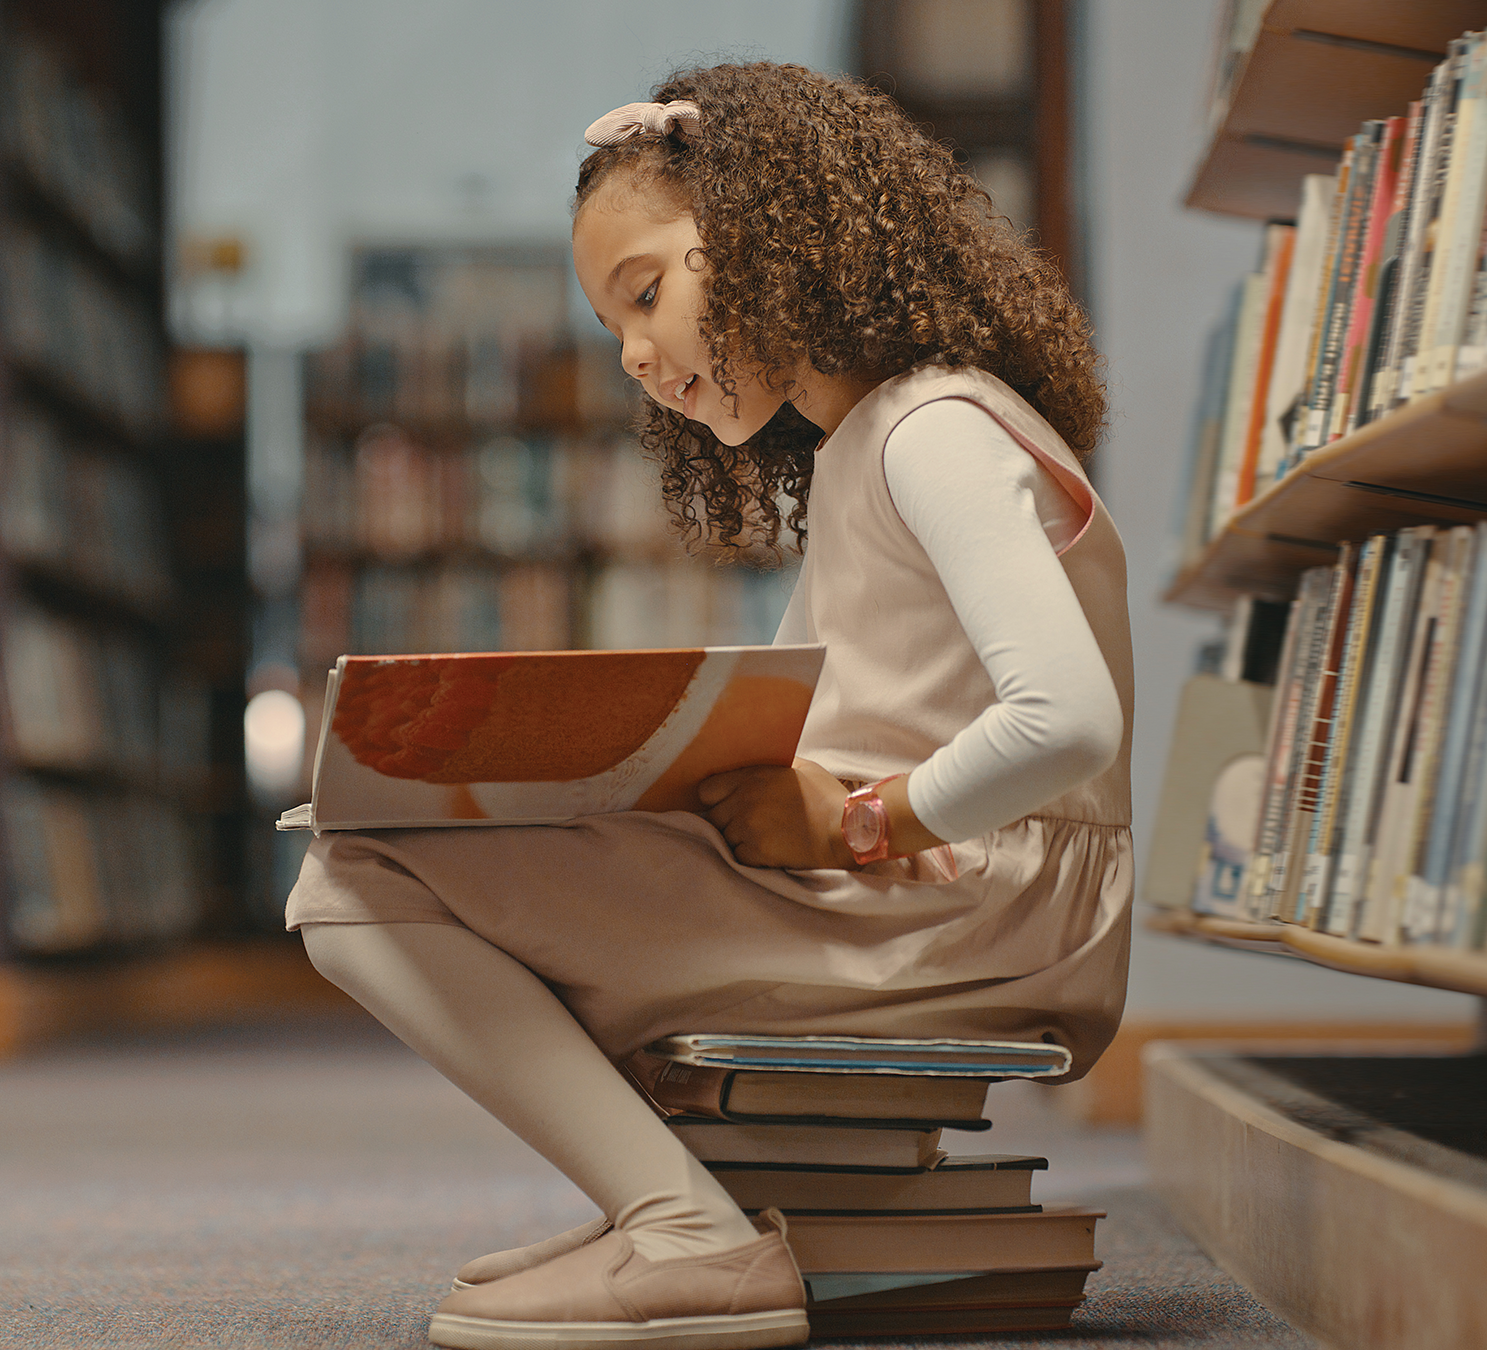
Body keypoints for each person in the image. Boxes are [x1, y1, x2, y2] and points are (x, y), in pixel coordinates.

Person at [288, 61, 1134, 1350]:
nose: (638, 358)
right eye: (613, 333)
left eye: (649, 294)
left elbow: (1067, 720)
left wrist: (857, 824)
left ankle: (683, 1229)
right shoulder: (873, 441)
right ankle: (678, 1209)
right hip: (927, 868)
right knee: (405, 855)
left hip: (963, 889)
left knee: (357, 883)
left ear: (771, 233)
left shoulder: (934, 433)